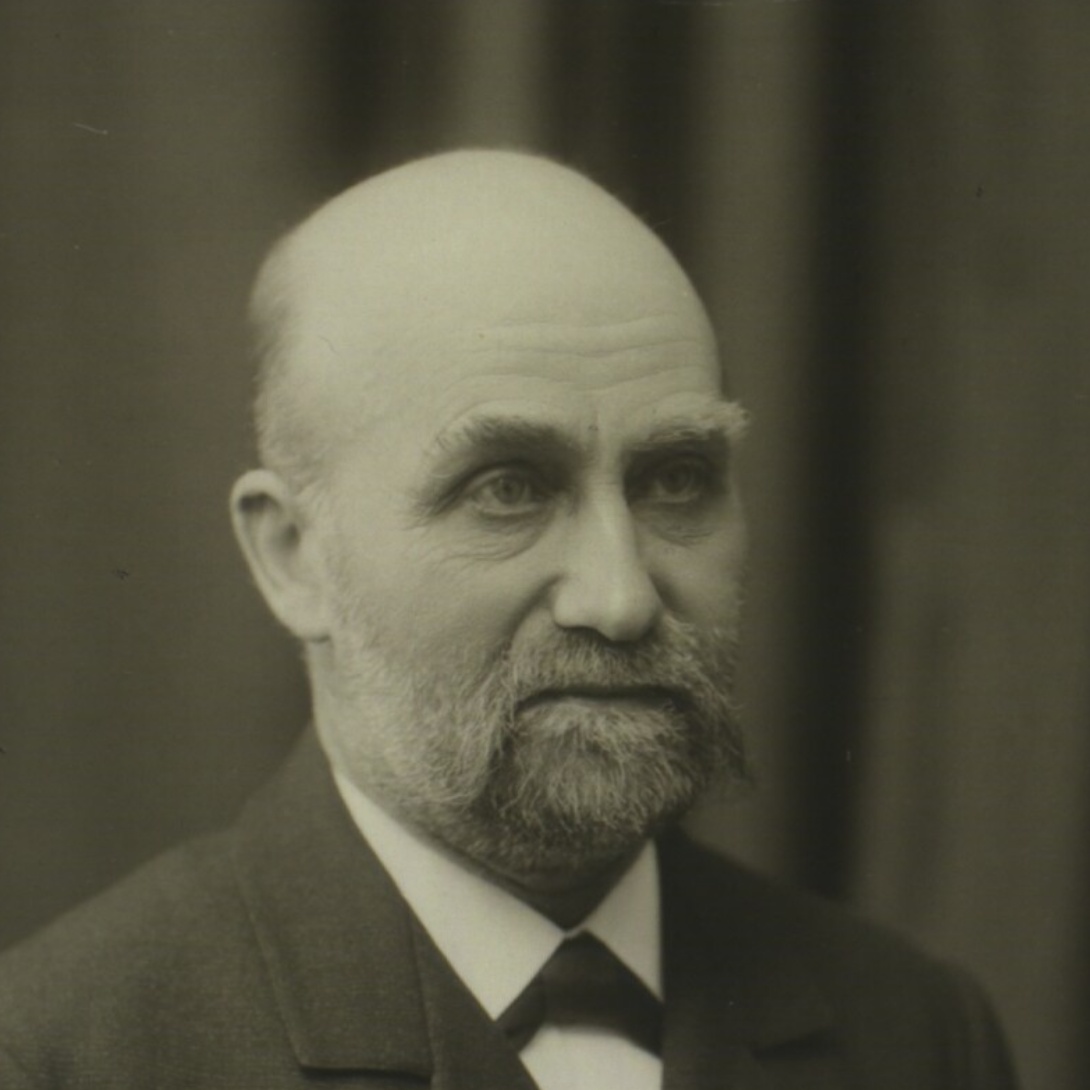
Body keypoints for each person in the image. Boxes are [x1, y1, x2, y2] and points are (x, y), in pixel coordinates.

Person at [0, 150, 1017, 1089]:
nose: (620, 599)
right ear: (294, 556)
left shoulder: (920, 1034)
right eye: (508, 490)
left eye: (675, 478)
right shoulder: (63, 1053)